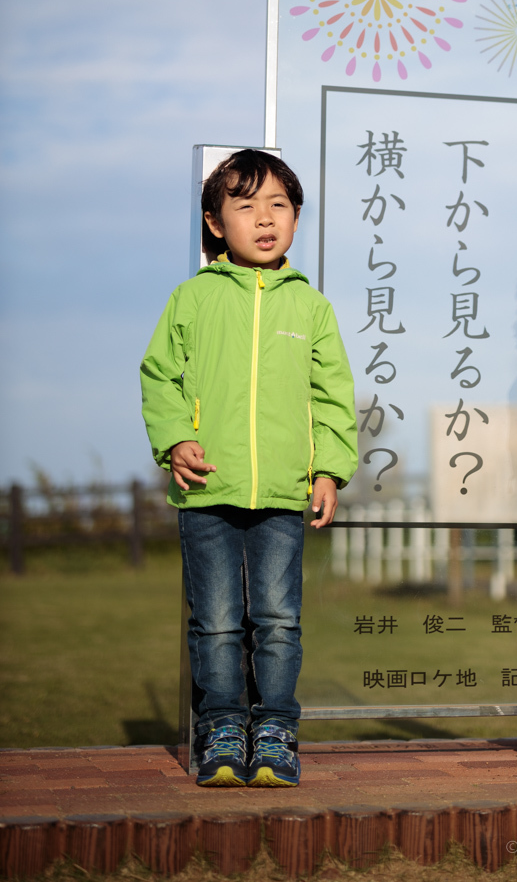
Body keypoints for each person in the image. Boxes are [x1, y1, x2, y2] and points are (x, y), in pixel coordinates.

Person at [140, 149, 357, 788]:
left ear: (295, 219)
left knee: (278, 617)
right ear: (215, 222)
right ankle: (224, 727)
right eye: (246, 206)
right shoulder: (192, 298)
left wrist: (328, 472)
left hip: (285, 494)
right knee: (215, 619)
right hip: (208, 488)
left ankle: (277, 731)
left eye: (279, 206)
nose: (265, 219)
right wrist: (176, 440)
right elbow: (160, 377)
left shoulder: (311, 307)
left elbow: (332, 395)